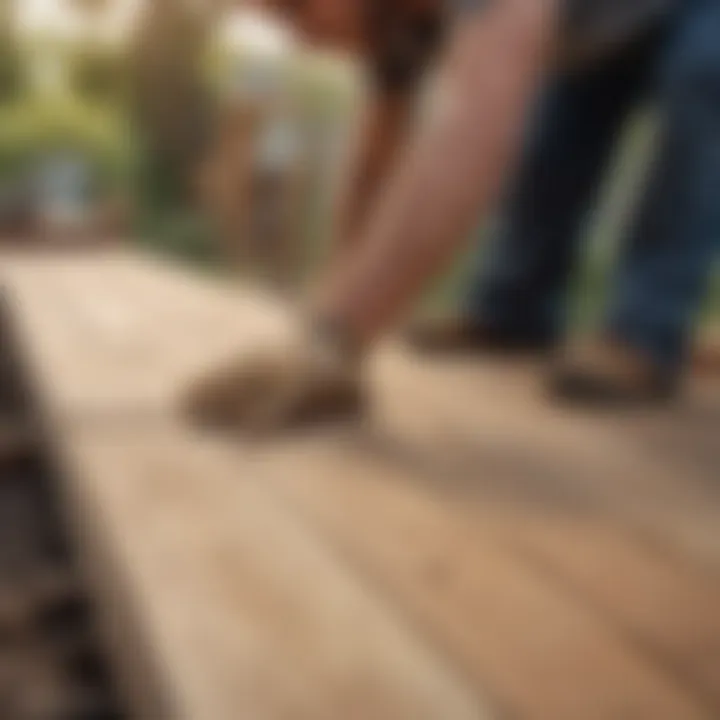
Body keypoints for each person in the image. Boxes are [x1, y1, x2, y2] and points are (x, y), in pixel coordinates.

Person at [182, 0, 719, 432]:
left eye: (294, 9)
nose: (298, 38)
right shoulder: (396, 23)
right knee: (548, 147)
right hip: (602, 28)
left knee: (702, 81)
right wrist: (328, 311)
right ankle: (513, 314)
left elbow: (468, 142)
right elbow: (375, 174)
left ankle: (644, 333)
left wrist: (338, 337)